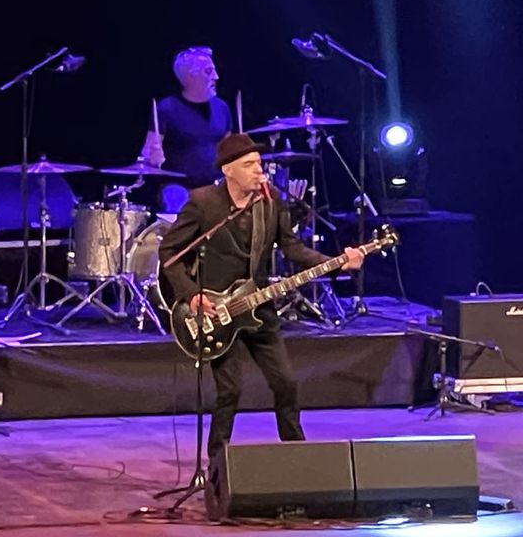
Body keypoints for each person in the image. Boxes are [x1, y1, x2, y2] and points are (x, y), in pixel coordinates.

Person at [157, 133, 364, 461]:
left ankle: (298, 455)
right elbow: (169, 253)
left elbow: (292, 248)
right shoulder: (203, 202)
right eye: (250, 165)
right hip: (215, 312)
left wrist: (336, 263)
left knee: (285, 383)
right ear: (228, 170)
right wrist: (190, 296)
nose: (260, 171)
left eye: (260, 164)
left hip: (258, 307)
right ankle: (217, 464)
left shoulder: (270, 203)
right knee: (230, 391)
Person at [141, 47, 232, 211]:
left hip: (215, 185)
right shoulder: (167, 108)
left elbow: (230, 151)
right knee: (179, 200)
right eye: (208, 71)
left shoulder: (222, 108)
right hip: (177, 186)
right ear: (191, 76)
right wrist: (151, 157)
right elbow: (148, 152)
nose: (216, 77)